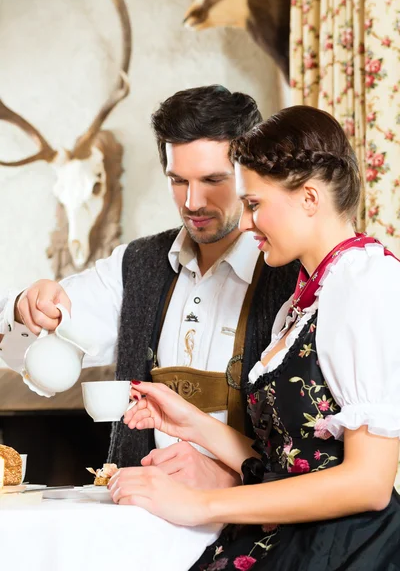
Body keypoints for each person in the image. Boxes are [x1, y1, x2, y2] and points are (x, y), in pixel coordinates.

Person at [110, 105, 400, 570]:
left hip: (348, 551)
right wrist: (189, 421)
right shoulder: (306, 298)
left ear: (309, 198)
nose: (244, 224)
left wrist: (200, 505)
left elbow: (368, 484)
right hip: (294, 542)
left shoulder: (366, 283)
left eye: (254, 204)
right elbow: (288, 460)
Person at [0, 85, 298, 490]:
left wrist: (233, 479)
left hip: (252, 526)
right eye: (178, 180)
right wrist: (22, 308)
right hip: (140, 521)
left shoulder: (291, 272)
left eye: (213, 180)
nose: (193, 202)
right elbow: (20, 357)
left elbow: (313, 448)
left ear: (249, 175)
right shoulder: (136, 265)